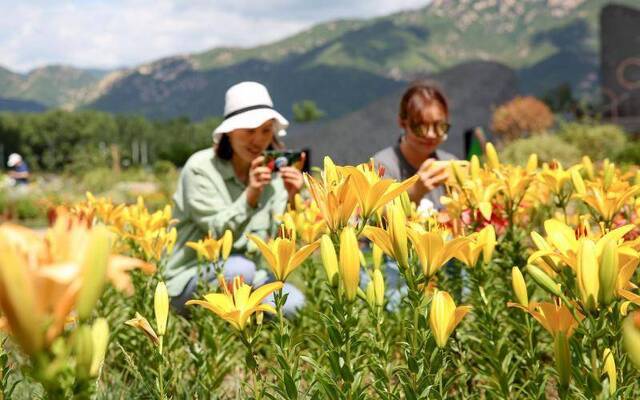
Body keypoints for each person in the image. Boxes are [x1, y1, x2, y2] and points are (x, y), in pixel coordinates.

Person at [166, 81, 306, 315]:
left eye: (265, 130)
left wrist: (292, 199)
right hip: (193, 276)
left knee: (295, 305)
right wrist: (250, 195)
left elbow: (279, 242)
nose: (258, 140)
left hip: (253, 278)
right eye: (249, 130)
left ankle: (244, 330)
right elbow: (215, 231)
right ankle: (213, 328)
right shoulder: (200, 168)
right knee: (239, 270)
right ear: (229, 132)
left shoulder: (273, 173)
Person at [373, 82, 456, 212]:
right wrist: (414, 191)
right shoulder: (382, 165)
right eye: (420, 127)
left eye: (439, 126)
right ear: (402, 123)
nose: (431, 134)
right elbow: (374, 216)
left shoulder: (450, 162)